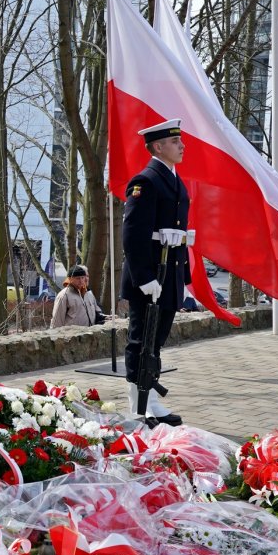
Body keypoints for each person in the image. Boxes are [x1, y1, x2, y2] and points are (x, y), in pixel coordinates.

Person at [120, 119, 190, 426]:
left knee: (157, 340)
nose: (182, 145)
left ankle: (150, 399)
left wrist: (183, 275)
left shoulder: (176, 181)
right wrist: (144, 277)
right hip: (149, 277)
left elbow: (177, 232)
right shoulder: (145, 181)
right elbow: (133, 234)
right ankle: (138, 404)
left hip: (169, 276)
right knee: (141, 340)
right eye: (176, 142)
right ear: (158, 146)